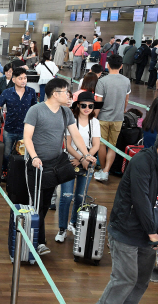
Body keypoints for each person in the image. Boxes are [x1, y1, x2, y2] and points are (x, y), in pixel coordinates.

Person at [23, 78, 96, 255]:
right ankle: (38, 242)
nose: (69, 95)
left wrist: (86, 154)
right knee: (37, 204)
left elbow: (76, 135)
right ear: (56, 94)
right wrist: (34, 157)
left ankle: (35, 236)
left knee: (46, 203)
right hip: (37, 166)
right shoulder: (36, 110)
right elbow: (27, 137)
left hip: (54, 166)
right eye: (66, 92)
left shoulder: (65, 112)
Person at [90, 141, 158, 304]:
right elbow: (140, 199)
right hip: (126, 230)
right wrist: (153, 233)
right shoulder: (142, 162)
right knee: (126, 277)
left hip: (150, 233)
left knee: (142, 280)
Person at [56, 91, 101, 243]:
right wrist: (81, 158)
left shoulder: (95, 122)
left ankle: (73, 223)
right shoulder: (71, 120)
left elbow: (96, 144)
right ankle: (62, 228)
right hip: (70, 161)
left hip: (86, 162)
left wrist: (85, 159)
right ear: (78, 106)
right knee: (66, 196)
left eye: (90, 106)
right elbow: (68, 145)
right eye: (83, 105)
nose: (87, 108)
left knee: (81, 197)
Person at [0, 67, 37, 175]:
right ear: (14, 80)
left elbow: (35, 109)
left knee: (23, 154)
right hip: (10, 129)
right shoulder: (7, 92)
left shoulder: (31, 92)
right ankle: (5, 172)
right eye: (20, 78)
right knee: (7, 153)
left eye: (25, 78)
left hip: (25, 130)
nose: (23, 81)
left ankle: (20, 174)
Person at [94, 54, 131, 182]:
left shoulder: (102, 81)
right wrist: (123, 110)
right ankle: (106, 171)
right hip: (118, 118)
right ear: (121, 66)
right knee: (113, 146)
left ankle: (103, 171)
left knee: (102, 145)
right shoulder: (126, 81)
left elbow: (98, 102)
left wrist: (95, 117)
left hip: (103, 117)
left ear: (107, 65)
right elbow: (126, 101)